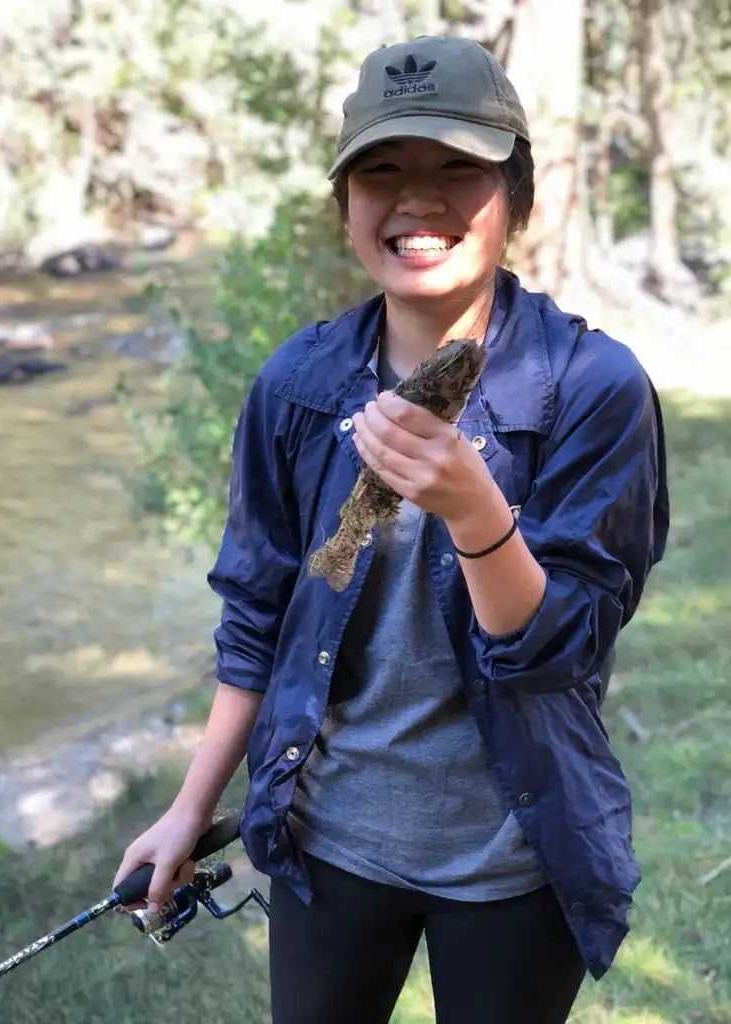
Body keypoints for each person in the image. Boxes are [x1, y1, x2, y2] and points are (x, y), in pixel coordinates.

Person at [113, 34, 670, 1024]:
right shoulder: (294, 384)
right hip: (329, 841)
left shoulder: (595, 388)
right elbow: (257, 618)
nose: (419, 198)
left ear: (522, 196)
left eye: (460, 167)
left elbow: (562, 648)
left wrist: (475, 511)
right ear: (345, 206)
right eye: (383, 170)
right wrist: (191, 805)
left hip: (516, 856)